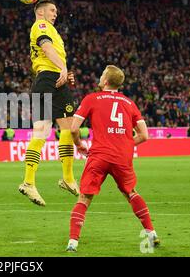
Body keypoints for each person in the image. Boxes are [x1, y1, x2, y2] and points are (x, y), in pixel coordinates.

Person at [66, 65, 160, 252]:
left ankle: (72, 243)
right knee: (131, 193)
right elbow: (144, 135)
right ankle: (151, 233)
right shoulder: (129, 103)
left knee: (85, 197)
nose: (100, 77)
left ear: (106, 81)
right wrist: (123, 145)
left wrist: (79, 145)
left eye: (102, 75)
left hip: (99, 155)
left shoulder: (91, 98)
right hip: (122, 157)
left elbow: (74, 128)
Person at [18, 0, 79, 207]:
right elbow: (46, 49)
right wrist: (62, 68)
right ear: (41, 12)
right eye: (52, 10)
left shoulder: (54, 31)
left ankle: (68, 178)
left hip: (57, 80)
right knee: (42, 131)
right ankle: (28, 182)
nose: (56, 13)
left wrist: (65, 71)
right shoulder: (41, 25)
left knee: (69, 128)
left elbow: (55, 55)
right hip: (46, 79)